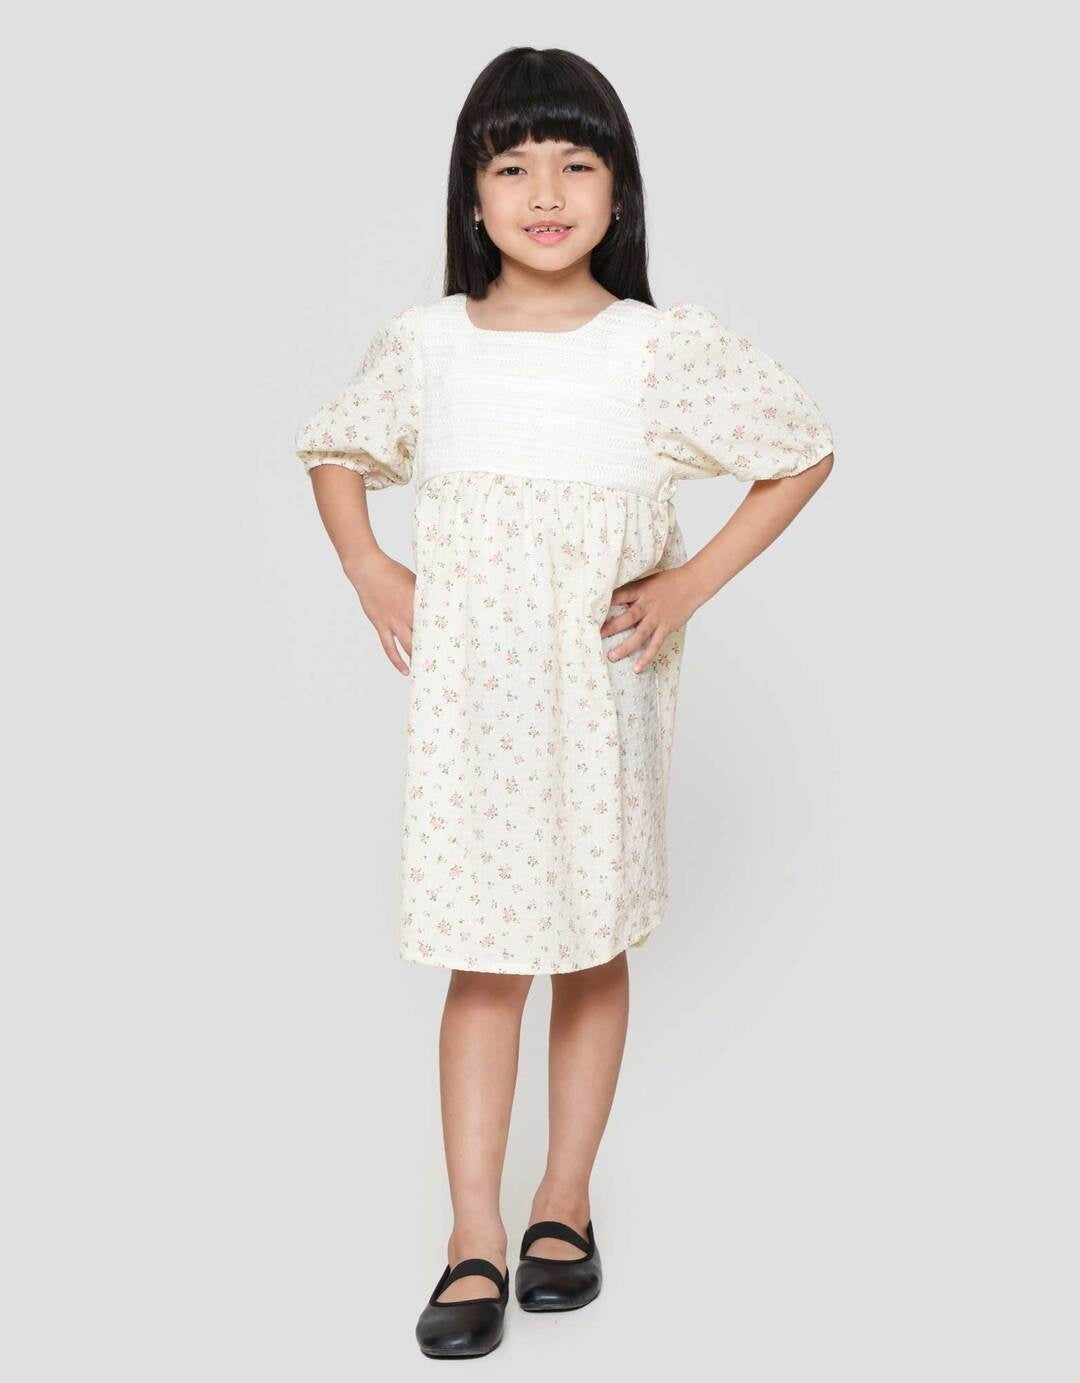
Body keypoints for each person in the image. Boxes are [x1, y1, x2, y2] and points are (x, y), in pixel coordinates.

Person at [294, 46, 835, 1360]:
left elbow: (800, 449)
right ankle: (471, 1232)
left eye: (576, 164)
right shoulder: (429, 345)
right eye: (513, 166)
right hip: (475, 722)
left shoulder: (657, 351)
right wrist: (372, 567)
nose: (545, 193)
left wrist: (690, 583)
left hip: (602, 708)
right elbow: (337, 447)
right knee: (484, 962)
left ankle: (564, 1202)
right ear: (471, 194)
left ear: (618, 187)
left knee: (591, 948)